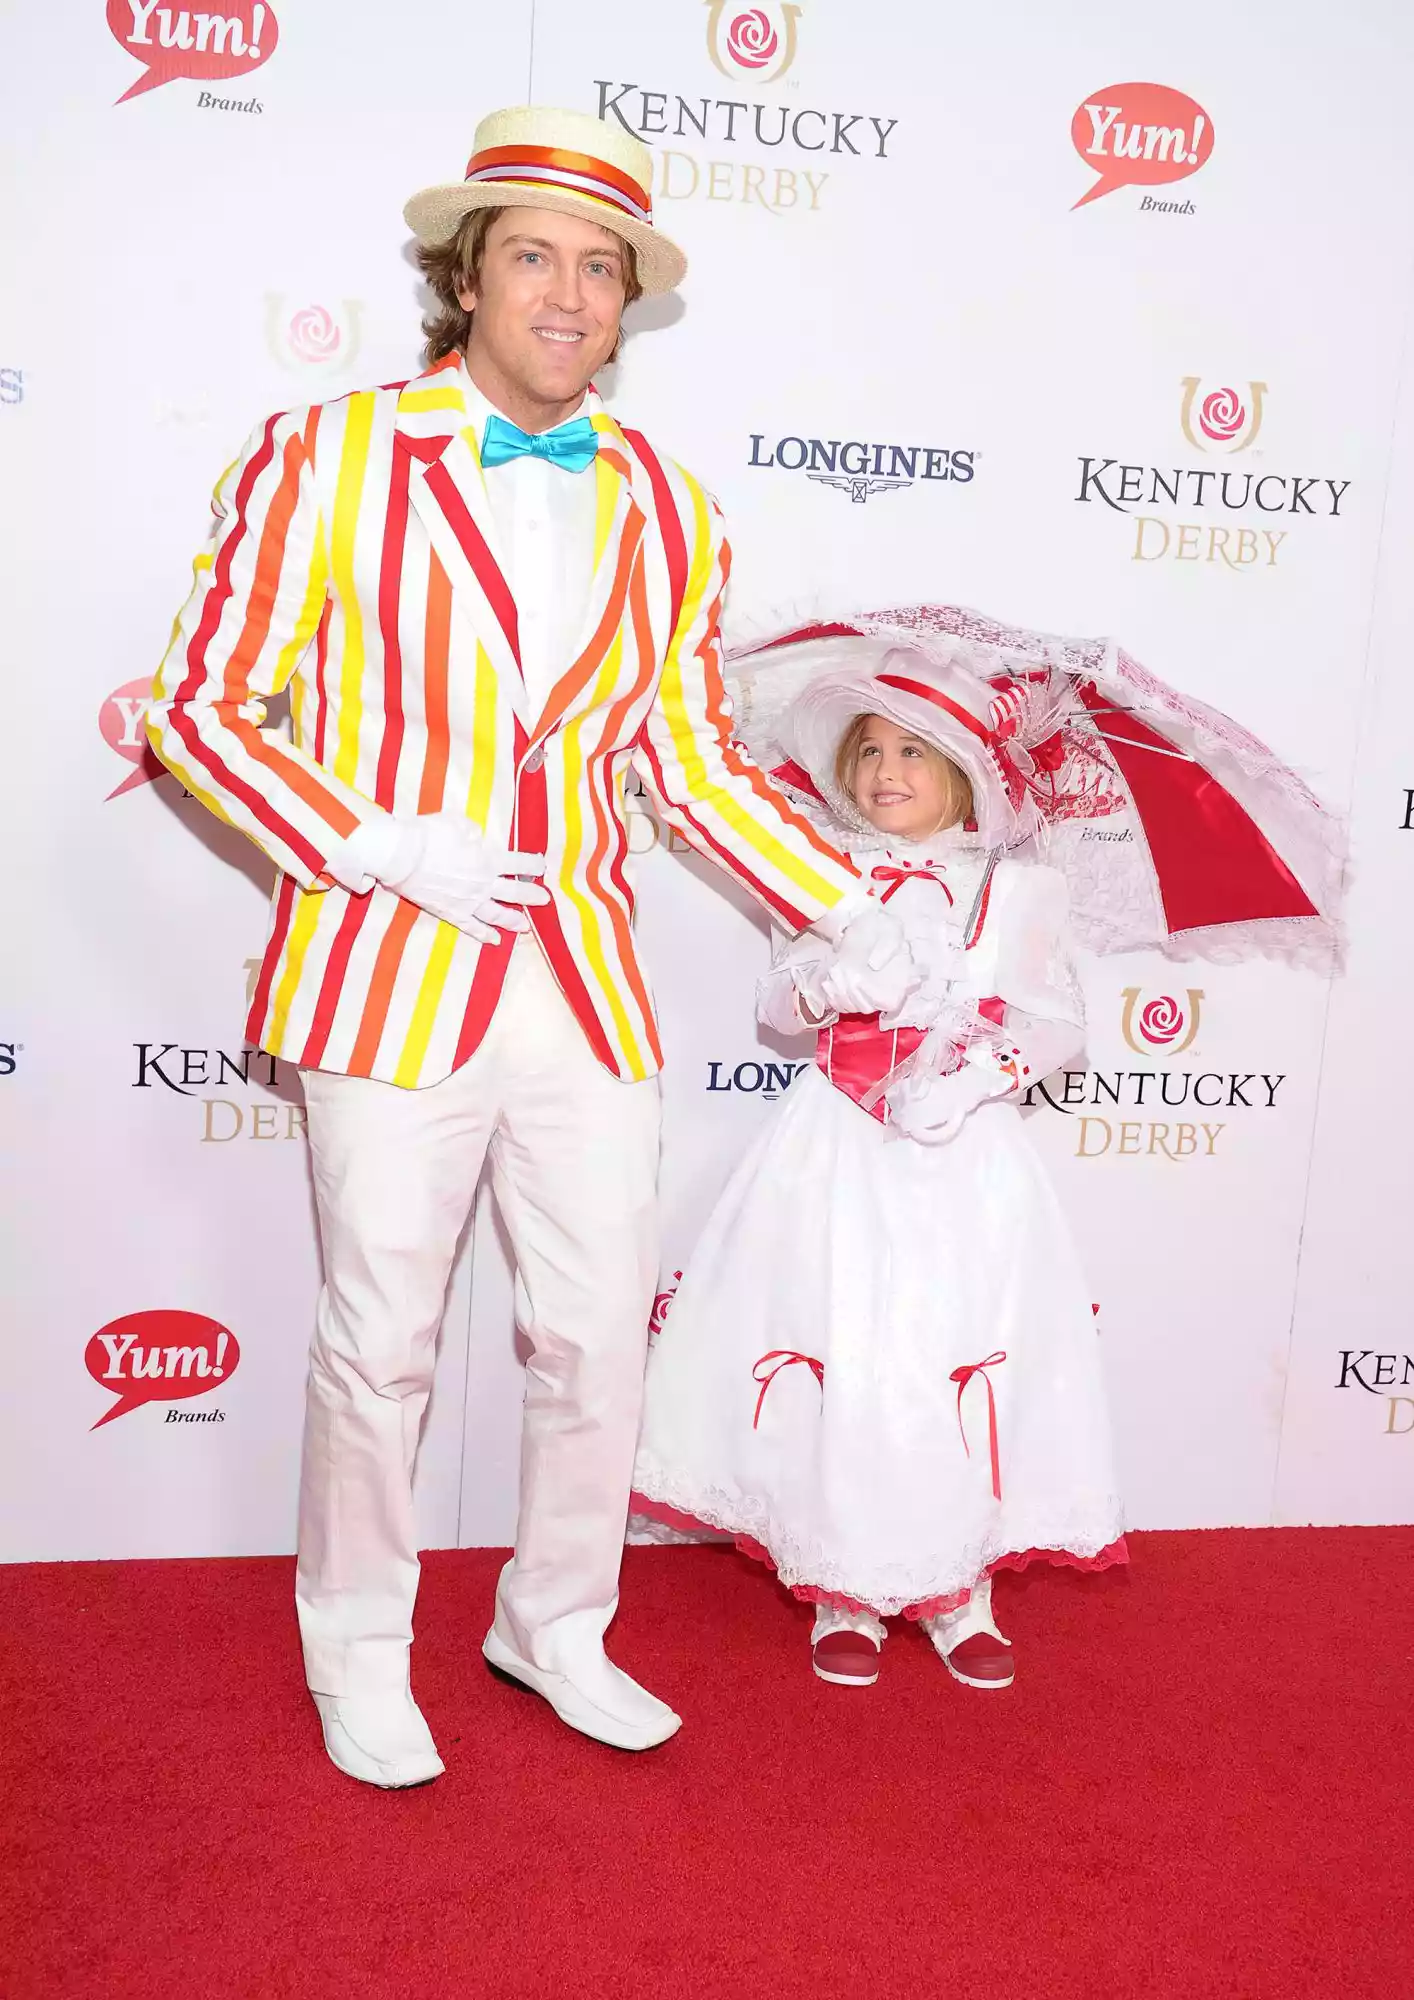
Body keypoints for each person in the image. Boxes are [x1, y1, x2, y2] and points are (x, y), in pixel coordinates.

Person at [145, 106, 896, 1785]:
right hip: (383, 965)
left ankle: (553, 1623)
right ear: (465, 276)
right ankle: (357, 1647)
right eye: (535, 255)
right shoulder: (327, 454)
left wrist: (844, 900)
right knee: (381, 1338)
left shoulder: (664, 504)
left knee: (587, 1329)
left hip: (582, 982)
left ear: (628, 302)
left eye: (600, 267)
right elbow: (198, 709)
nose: (569, 293)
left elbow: (690, 760)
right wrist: (369, 840)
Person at [632, 634, 1127, 1689]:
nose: (885, 772)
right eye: (867, 751)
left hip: (961, 1157)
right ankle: (843, 1582)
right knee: (842, 1342)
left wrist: (969, 1076)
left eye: (912, 751)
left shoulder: (1017, 890)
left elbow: (1057, 1021)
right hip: (834, 1149)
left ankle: (958, 1588)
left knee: (953, 1354)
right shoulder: (822, 868)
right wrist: (828, 987)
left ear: (964, 773)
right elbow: (777, 999)